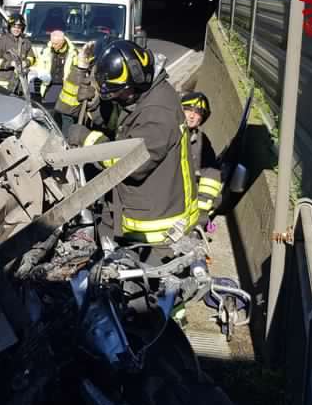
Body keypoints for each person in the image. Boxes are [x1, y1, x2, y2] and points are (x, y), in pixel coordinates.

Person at [63, 39, 197, 255]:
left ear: (137, 81)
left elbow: (130, 163)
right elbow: (123, 123)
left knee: (134, 287)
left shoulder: (158, 111)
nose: (117, 98)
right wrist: (96, 104)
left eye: (120, 92)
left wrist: (87, 140)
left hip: (155, 234)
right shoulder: (144, 94)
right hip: (132, 211)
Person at [180, 91, 222, 228]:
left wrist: (201, 211)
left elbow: (212, 174)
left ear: (202, 118)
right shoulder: (166, 132)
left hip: (186, 204)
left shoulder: (202, 142)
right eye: (188, 110)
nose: (192, 116)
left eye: (198, 112)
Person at [32, 30, 77, 131]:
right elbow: (40, 65)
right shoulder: (47, 50)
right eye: (52, 42)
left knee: (66, 116)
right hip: (49, 85)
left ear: (62, 42)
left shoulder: (73, 53)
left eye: (56, 44)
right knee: (49, 113)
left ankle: (66, 137)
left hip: (66, 87)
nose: (53, 45)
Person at [0, 14, 35, 93]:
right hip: (5, 85)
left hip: (20, 85)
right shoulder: (2, 41)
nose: (16, 29)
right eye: (14, 27)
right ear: (10, 27)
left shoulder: (26, 42)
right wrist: (10, 64)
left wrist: (25, 63)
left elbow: (32, 58)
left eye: (19, 27)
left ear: (22, 28)